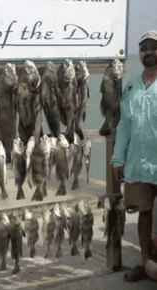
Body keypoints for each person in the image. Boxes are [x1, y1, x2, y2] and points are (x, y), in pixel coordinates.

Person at [111, 30, 157, 282]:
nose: (149, 52)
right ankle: (144, 262)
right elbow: (124, 126)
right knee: (144, 213)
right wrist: (118, 159)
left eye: (154, 47)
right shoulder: (131, 86)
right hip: (138, 165)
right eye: (145, 47)